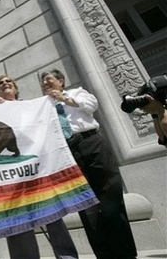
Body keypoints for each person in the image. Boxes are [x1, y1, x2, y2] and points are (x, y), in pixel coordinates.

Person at [40, 69, 137, 259]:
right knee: (85, 205)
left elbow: (91, 105)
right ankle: (104, 254)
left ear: (60, 81)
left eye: (48, 80)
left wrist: (64, 99)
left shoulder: (77, 92)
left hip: (91, 143)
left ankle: (125, 253)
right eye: (42, 83)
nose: (45, 84)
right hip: (67, 153)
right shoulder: (43, 108)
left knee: (111, 196)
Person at [0, 74, 79, 259]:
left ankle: (67, 257)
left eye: (9, 81)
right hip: (12, 173)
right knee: (18, 219)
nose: (5, 83)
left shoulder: (34, 107)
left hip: (37, 169)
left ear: (15, 88)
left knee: (53, 215)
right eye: (0, 83)